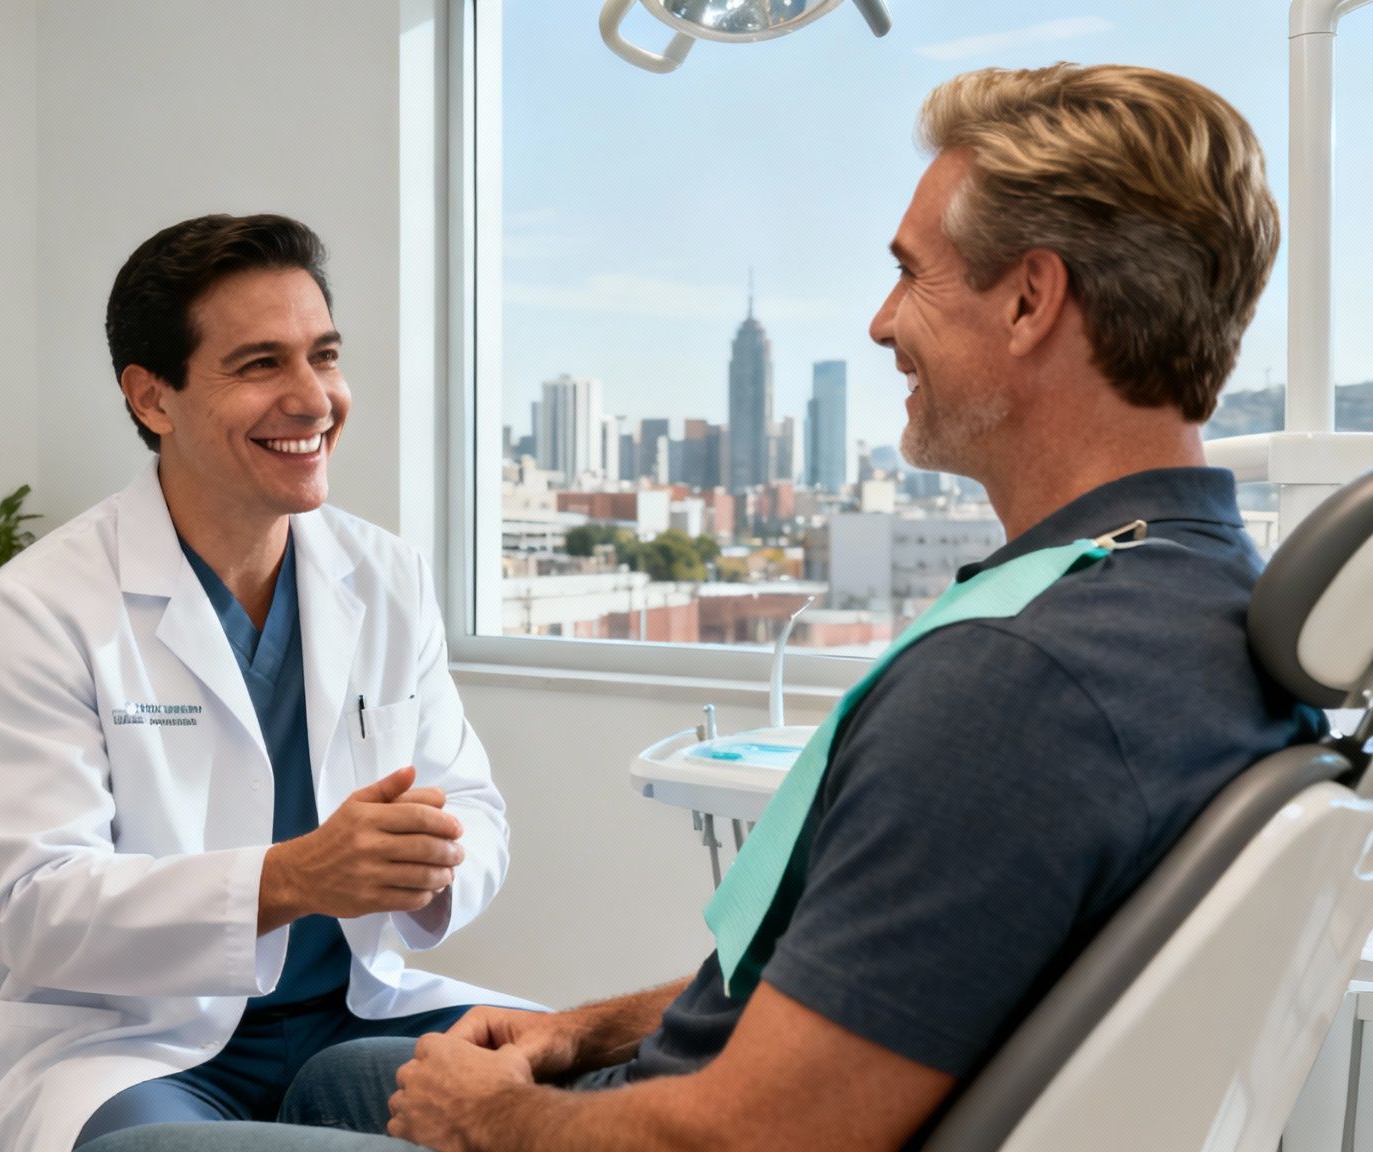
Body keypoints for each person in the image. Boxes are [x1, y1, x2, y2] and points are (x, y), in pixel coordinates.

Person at [73, 63, 1331, 1152]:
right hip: (627, 1070)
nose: (882, 320)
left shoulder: (1015, 684)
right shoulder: (1191, 602)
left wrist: (495, 1119)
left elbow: (762, 1133)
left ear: (1027, 299)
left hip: (687, 1125)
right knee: (337, 1072)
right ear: (153, 397)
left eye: (910, 275)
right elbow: (876, 972)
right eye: (260, 361)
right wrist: (579, 1031)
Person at [0, 213, 531, 1152]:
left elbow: (476, 807)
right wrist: (292, 878)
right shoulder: (39, 607)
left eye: (325, 356)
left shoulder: (384, 576)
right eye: (261, 364)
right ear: (153, 398)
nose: (314, 400)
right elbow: (37, 909)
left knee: (598, 1092)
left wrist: (430, 865)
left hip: (355, 1014)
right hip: (134, 1048)